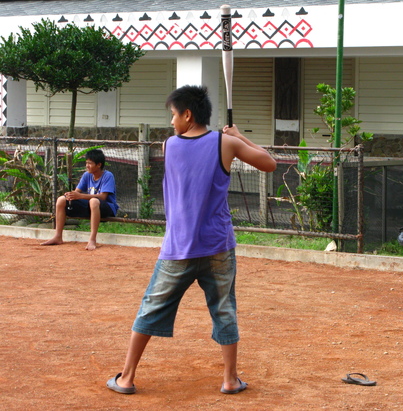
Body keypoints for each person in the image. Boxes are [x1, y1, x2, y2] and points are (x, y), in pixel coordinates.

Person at [106, 85, 276, 395]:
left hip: (178, 249)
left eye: (174, 115)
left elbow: (190, 149)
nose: (171, 122)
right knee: (224, 310)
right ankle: (229, 379)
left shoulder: (169, 145)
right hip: (218, 247)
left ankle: (126, 378)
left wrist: (229, 139)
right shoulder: (226, 144)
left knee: (150, 308)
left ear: (187, 114)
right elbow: (269, 162)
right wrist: (238, 137)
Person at [41, 148, 118, 251]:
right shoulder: (87, 175)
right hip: (90, 206)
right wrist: (70, 195)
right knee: (61, 200)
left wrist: (80, 196)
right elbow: (77, 192)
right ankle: (58, 236)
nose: (87, 166)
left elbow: (103, 197)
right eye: (86, 163)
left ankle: (92, 239)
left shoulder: (108, 176)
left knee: (94, 201)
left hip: (106, 208)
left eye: (90, 163)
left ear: (99, 165)